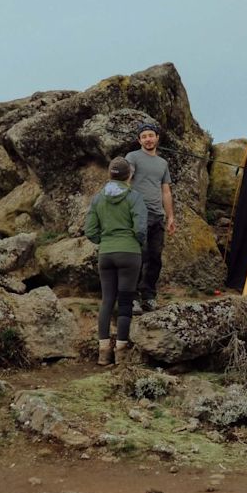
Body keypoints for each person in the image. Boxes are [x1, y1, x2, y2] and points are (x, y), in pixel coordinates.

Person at [84, 157, 147, 365]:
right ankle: (121, 351)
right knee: (126, 301)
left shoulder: (98, 198)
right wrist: (135, 243)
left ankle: (103, 352)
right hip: (129, 254)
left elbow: (90, 230)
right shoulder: (134, 197)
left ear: (110, 174)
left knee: (107, 300)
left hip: (106, 254)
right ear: (129, 175)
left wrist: (104, 241)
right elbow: (140, 228)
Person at [125, 122, 176, 315]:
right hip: (139, 214)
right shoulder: (133, 157)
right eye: (144, 136)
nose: (148, 139)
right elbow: (126, 181)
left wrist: (170, 216)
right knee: (138, 256)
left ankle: (149, 296)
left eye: (151, 135)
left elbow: (166, 191)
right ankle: (131, 298)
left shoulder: (162, 163)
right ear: (139, 140)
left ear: (157, 138)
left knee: (155, 258)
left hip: (157, 216)